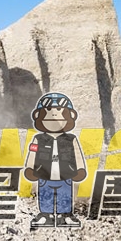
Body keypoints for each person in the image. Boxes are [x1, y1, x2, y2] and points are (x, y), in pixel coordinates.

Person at [23, 92, 89, 228]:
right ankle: (46, 215)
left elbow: (78, 155)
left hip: (65, 175)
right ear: (38, 116)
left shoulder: (71, 139)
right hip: (44, 175)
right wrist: (29, 168)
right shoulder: (38, 139)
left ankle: (64, 215)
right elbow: (32, 154)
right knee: (45, 194)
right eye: (47, 112)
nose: (54, 116)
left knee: (65, 194)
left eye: (60, 112)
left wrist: (81, 169)